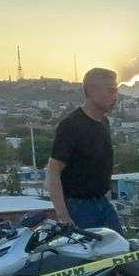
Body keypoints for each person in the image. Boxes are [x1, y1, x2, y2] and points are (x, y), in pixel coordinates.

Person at [47, 67, 122, 231]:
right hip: (78, 207)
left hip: (102, 203)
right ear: (91, 90)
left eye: (115, 91)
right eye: (110, 91)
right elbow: (53, 171)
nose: (115, 97)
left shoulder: (104, 122)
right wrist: (63, 216)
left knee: (120, 245)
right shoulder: (71, 125)